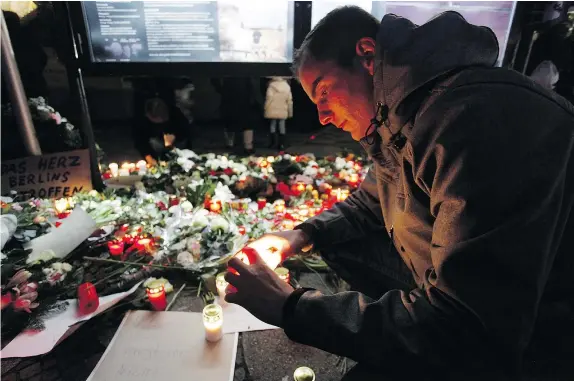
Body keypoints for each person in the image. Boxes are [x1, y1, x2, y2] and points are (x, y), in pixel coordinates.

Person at [223, 7, 574, 381]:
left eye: (324, 91)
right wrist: (303, 234)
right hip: (459, 304)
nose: (323, 116)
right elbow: (371, 200)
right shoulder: (402, 114)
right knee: (338, 243)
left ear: (368, 55)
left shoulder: (471, 121)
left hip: (532, 344)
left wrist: (291, 307)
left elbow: (467, 328)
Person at [132, 96, 192, 165]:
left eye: (164, 118)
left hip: (177, 145)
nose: (162, 121)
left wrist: (175, 136)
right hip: (156, 146)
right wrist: (149, 157)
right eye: (156, 119)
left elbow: (187, 132)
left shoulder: (176, 114)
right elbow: (140, 141)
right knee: (154, 143)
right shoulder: (143, 122)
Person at [213, 77, 262, 155]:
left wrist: (222, 90)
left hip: (229, 98)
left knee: (230, 123)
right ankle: (248, 145)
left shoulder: (228, 77)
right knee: (247, 124)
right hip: (243, 100)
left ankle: (230, 144)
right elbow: (250, 87)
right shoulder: (244, 75)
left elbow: (215, 80)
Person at [264, 77, 293, 150]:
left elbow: (269, 98)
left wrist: (265, 109)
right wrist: (290, 112)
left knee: (272, 125)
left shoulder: (271, 86)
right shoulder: (287, 87)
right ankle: (282, 144)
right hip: (283, 109)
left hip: (272, 108)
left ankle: (273, 143)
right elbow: (289, 101)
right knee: (282, 126)